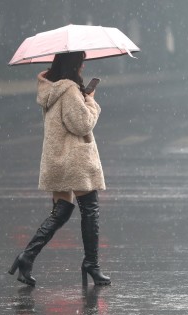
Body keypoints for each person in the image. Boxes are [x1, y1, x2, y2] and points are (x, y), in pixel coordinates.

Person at [8, 51, 111, 287]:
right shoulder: (70, 90)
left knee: (62, 210)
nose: (83, 66)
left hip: (57, 158)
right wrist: (91, 101)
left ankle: (27, 257)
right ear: (73, 64)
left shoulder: (51, 89)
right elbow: (82, 124)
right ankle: (92, 265)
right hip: (74, 160)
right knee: (90, 208)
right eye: (81, 61)